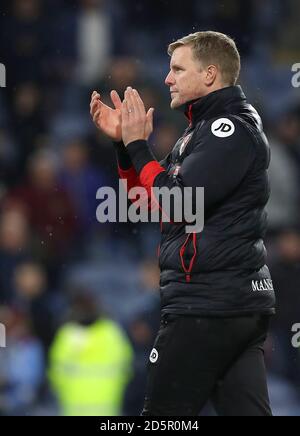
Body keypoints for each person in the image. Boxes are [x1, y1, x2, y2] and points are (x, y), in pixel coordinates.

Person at [90, 31, 276, 416]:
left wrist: (140, 144)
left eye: (177, 69)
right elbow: (148, 203)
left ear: (209, 75)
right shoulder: (202, 132)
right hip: (231, 305)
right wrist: (126, 147)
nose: (167, 78)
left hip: (206, 306)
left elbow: (176, 203)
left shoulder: (227, 130)